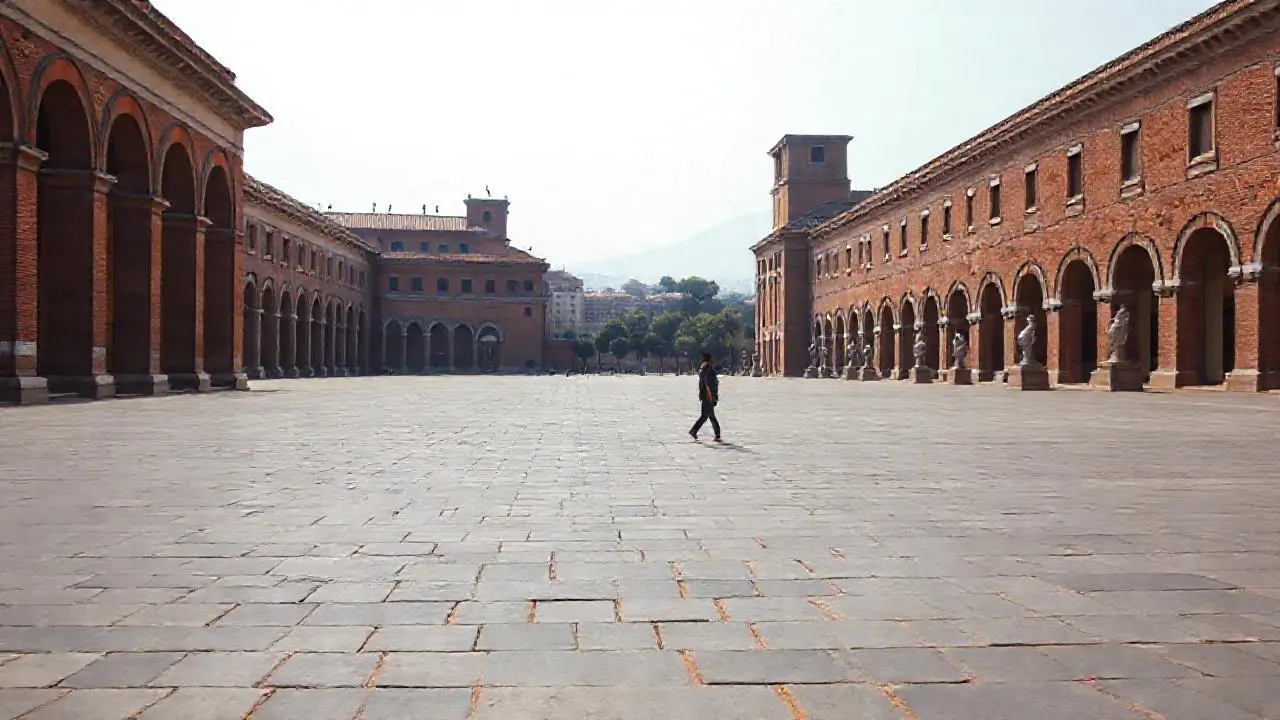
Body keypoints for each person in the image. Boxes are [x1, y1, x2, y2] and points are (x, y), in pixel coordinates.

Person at [689, 352, 721, 441]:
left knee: (710, 415)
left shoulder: (702, 370)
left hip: (704, 395)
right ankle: (693, 430)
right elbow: (708, 385)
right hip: (708, 396)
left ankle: (717, 433)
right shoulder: (708, 370)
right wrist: (712, 397)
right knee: (705, 416)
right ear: (709, 360)